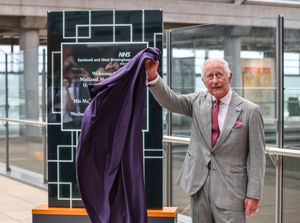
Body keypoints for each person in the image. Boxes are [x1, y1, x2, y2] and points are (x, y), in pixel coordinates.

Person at [145, 58, 266, 223]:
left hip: (232, 191)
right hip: (199, 187)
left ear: (229, 77)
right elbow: (170, 100)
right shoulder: (197, 102)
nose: (215, 80)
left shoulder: (250, 110)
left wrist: (254, 194)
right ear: (203, 80)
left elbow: (258, 157)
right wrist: (152, 76)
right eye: (210, 76)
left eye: (219, 75)